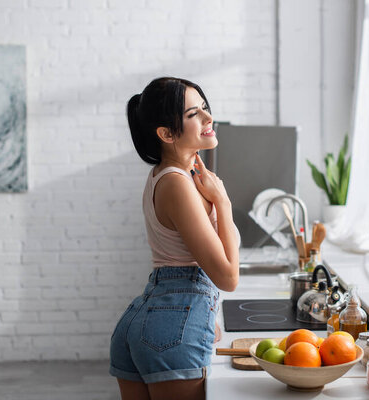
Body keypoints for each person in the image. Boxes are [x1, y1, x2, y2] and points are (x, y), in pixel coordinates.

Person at [109, 77, 240, 400]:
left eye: (205, 108)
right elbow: (227, 277)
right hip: (172, 325)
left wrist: (203, 319)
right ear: (166, 134)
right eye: (194, 114)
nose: (209, 118)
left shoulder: (169, 177)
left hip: (157, 315)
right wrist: (223, 202)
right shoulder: (177, 184)